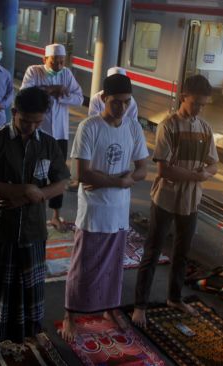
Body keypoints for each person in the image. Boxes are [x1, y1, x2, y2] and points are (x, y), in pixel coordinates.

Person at [0, 87, 70, 363]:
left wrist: (32, 196)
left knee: (32, 285)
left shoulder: (48, 143)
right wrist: (22, 190)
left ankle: (32, 330)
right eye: (26, 121)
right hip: (0, 227)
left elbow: (62, 181)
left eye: (38, 122)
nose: (31, 127)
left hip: (33, 228)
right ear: (14, 113)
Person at [59, 74, 149, 341]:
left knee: (113, 266)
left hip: (119, 211)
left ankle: (109, 308)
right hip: (94, 212)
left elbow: (143, 168)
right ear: (103, 99)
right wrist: (119, 180)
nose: (121, 107)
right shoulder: (90, 127)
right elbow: (83, 174)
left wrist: (125, 180)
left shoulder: (133, 128)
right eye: (116, 102)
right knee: (84, 264)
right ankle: (70, 315)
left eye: (126, 102)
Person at [132, 75, 219, 326]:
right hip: (166, 197)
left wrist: (205, 173)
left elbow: (214, 164)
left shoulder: (205, 129)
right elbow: (164, 170)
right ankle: (140, 306)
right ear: (183, 97)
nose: (199, 109)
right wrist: (197, 175)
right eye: (196, 103)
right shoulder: (168, 126)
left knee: (182, 252)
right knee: (153, 251)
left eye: (203, 105)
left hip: (191, 200)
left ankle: (174, 297)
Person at [20, 43, 83, 231]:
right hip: (37, 131)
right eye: (54, 62)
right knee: (33, 170)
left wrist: (61, 96)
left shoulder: (67, 74)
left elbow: (79, 98)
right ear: (44, 59)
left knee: (58, 174)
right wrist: (52, 89)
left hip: (60, 134)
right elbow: (25, 93)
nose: (58, 66)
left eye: (62, 62)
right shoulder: (34, 71)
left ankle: (56, 215)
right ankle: (29, 211)